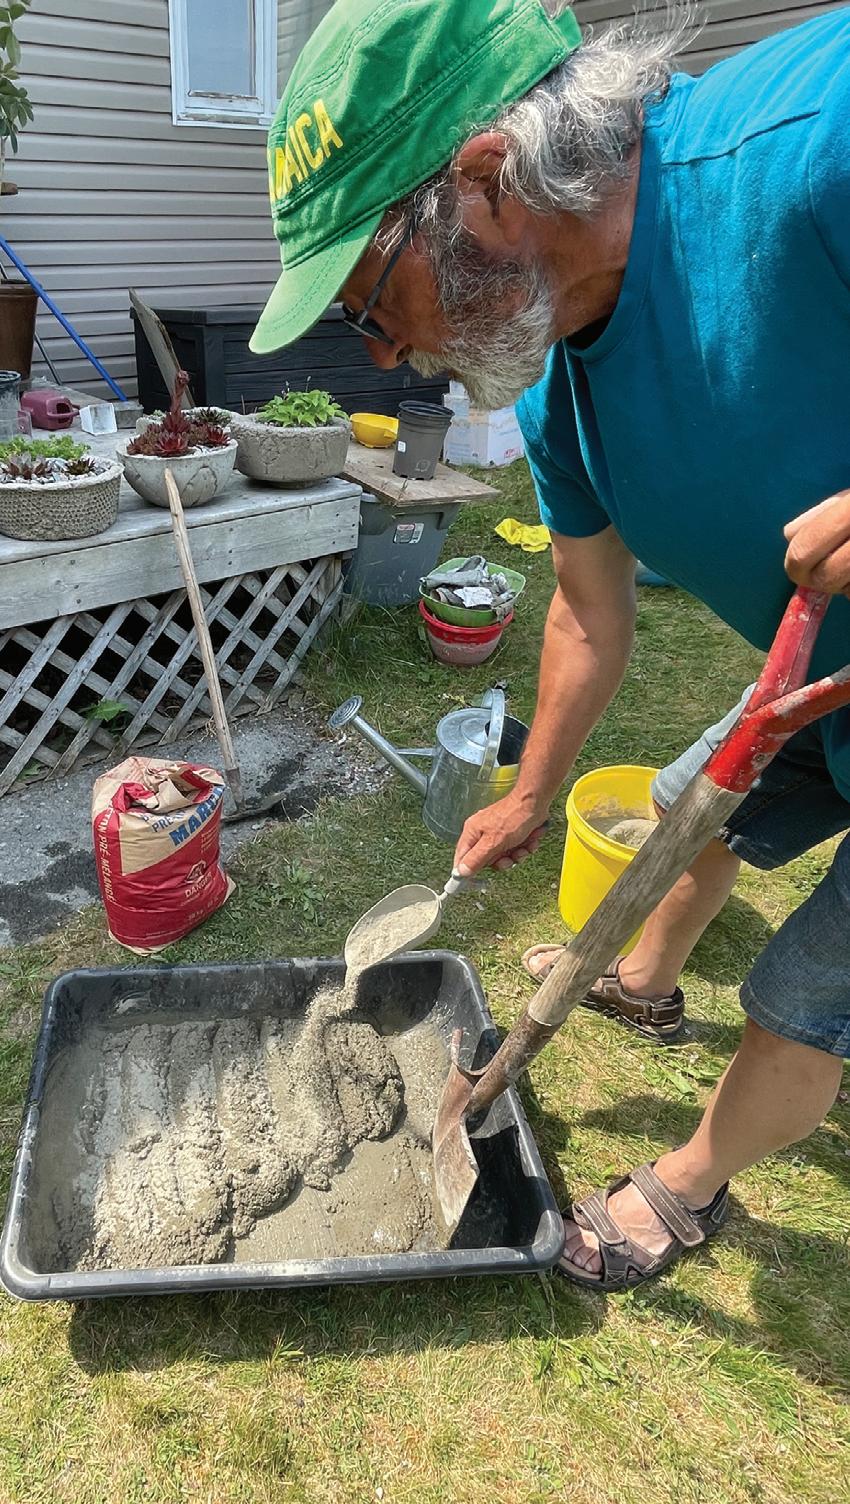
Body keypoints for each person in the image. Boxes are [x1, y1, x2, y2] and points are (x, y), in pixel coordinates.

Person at [250, 0, 850, 1290]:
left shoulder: (817, 132)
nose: (381, 351)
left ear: (484, 182)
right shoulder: (566, 388)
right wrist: (530, 793)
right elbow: (584, 605)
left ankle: (686, 1186)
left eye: (367, 300)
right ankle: (643, 978)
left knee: (806, 993)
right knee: (690, 814)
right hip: (813, 679)